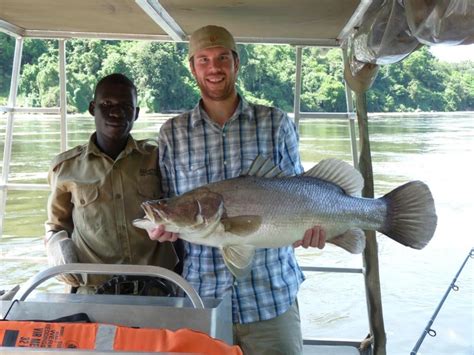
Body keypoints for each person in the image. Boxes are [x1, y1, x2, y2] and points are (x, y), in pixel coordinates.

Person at [148, 25, 326, 354]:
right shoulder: (172, 134)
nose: (213, 68)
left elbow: (299, 193)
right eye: (203, 60)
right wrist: (167, 226)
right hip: (204, 299)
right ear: (192, 67)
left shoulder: (275, 123)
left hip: (272, 296)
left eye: (221, 58)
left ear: (236, 63)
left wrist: (312, 231)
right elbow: (175, 202)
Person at [44, 73, 177, 294]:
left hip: (156, 290)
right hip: (92, 293)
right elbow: (57, 225)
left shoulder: (158, 158)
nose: (116, 112)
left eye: (126, 105)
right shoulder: (66, 168)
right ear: (92, 108)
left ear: (136, 113)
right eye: (107, 104)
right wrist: (57, 247)